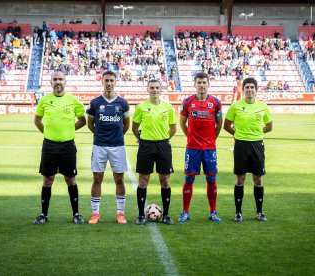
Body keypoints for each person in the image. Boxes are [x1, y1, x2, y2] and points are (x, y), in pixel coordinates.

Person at [32, 70, 87, 225]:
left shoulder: (73, 100)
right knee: (47, 179)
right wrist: (47, 133)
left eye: (60, 79)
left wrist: (69, 130)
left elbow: (82, 121)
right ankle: (44, 214)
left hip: (68, 146)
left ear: (65, 82)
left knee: (70, 179)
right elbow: (37, 121)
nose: (58, 82)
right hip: (49, 146)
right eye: (55, 79)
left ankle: (76, 214)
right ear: (51, 82)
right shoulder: (44, 100)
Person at [223, 77, 273, 222]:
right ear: (243, 90)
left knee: (257, 178)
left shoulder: (263, 107)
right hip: (240, 145)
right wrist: (238, 134)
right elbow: (226, 125)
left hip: (257, 145)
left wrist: (257, 134)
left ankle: (259, 212)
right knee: (240, 178)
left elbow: (269, 127)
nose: (249, 90)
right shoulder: (235, 106)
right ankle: (238, 213)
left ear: (256, 90)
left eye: (252, 87)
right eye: (247, 87)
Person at [178, 71, 223, 223]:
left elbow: (219, 124)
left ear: (208, 84)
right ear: (195, 84)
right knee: (189, 178)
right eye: (199, 82)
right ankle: (185, 211)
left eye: (204, 83)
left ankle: (213, 211)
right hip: (192, 148)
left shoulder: (215, 102)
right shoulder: (187, 102)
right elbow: (182, 123)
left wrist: (211, 139)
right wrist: (190, 137)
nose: (202, 85)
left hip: (210, 149)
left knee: (211, 178)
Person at [86, 71, 130, 224]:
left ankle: (120, 213)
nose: (109, 83)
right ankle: (95, 213)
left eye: (112, 80)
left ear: (115, 82)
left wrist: (117, 135)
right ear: (102, 82)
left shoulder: (122, 103)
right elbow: (90, 124)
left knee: (119, 178)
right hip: (99, 146)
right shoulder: (95, 103)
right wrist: (100, 135)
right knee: (97, 178)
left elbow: (126, 125)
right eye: (107, 80)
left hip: (118, 146)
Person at [132, 79, 177, 225]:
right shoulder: (141, 107)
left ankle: (167, 215)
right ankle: (140, 215)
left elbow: (173, 128)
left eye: (157, 87)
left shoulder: (168, 107)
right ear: (147, 89)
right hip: (146, 146)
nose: (154, 90)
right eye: (152, 87)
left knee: (165, 180)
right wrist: (142, 140)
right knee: (143, 180)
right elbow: (134, 127)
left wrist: (163, 139)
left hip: (163, 146)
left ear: (161, 89)